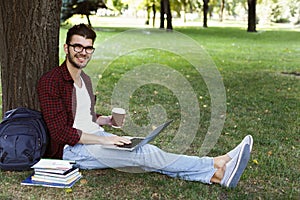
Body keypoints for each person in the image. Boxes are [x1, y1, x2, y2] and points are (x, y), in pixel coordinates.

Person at [37, 24, 253, 188]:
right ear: (66, 47)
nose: (83, 52)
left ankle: (215, 175)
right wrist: (107, 139)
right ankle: (215, 164)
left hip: (96, 136)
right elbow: (61, 132)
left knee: (145, 156)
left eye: (88, 48)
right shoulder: (51, 81)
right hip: (73, 151)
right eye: (77, 46)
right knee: (143, 155)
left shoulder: (85, 80)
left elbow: (86, 116)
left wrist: (107, 121)